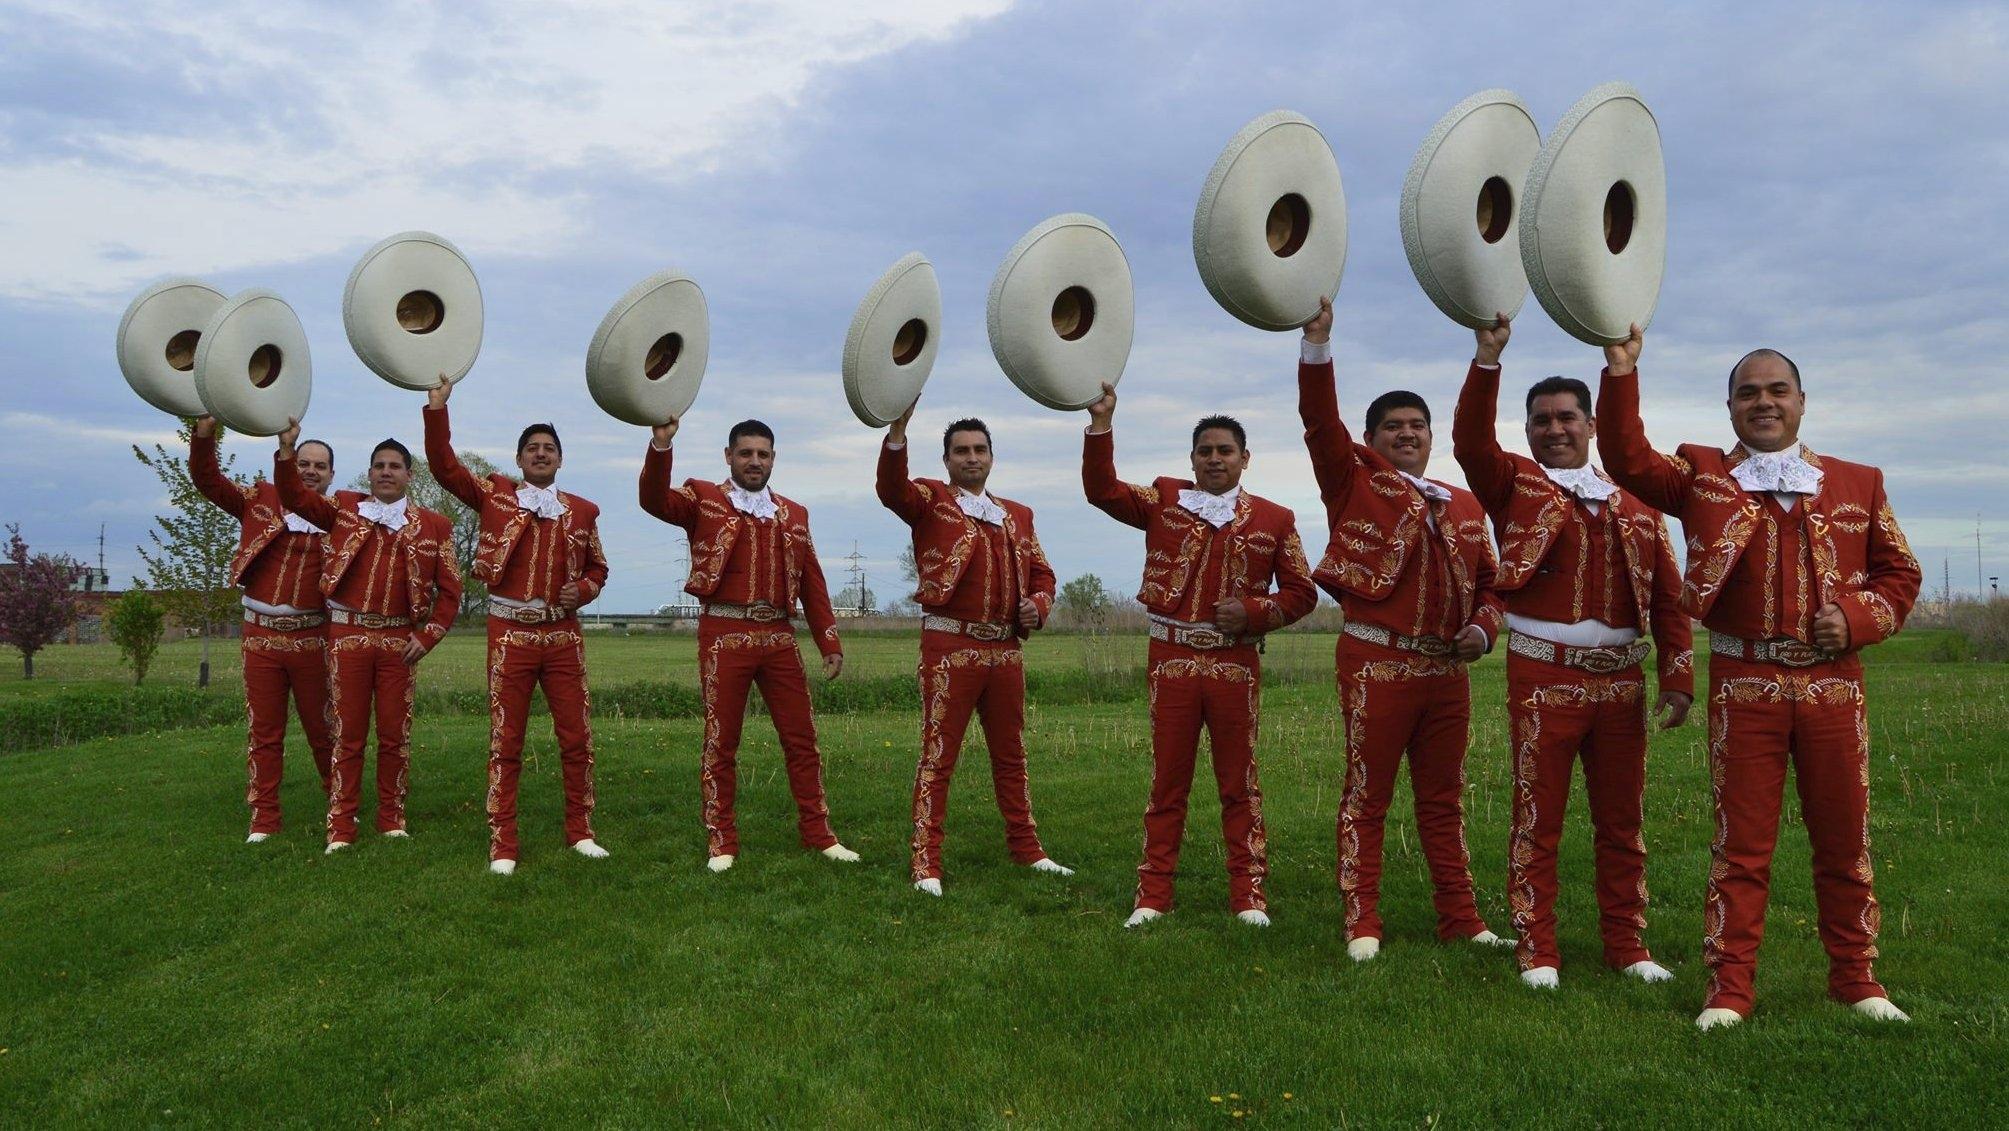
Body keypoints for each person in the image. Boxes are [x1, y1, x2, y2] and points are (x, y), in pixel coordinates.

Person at [1596, 325, 1920, 1029]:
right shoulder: (1702, 472)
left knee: (1843, 838)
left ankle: (1856, 978)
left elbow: (1901, 573)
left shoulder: (1858, 481)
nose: (1763, 402)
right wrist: (1620, 370)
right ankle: (1729, 988)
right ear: (1729, 407)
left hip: (1835, 687)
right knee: (1740, 845)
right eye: (1748, 393)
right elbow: (1624, 458)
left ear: (1801, 401)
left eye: (1777, 390)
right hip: (1745, 685)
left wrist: (1858, 617)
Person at [1450, 314, 1694, 990]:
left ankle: (1626, 942)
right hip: (1542, 676)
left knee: (1621, 819)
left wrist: (1676, 676)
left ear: (1590, 425)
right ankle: (1537, 945)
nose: (1553, 428)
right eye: (1540, 420)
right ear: (1526, 431)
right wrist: (1487, 358)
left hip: (1622, 682)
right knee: (1539, 813)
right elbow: (1469, 440)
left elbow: (1669, 600)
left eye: (1565, 417)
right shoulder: (1513, 487)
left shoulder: (1637, 505)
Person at [1297, 296, 1512, 961]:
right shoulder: (1352, 482)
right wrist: (1317, 344)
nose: (1407, 434)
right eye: (1392, 426)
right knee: (1367, 794)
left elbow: (1493, 588)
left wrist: (1482, 629)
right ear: (1371, 438)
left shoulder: (1467, 503)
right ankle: (1362, 919)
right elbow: (1317, 422)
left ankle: (1460, 917)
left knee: (1443, 800)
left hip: (1445, 672)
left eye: (1417, 424)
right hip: (1375, 662)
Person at [1083, 381, 1316, 928]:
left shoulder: (1274, 519)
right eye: (1205, 451)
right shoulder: (1165, 500)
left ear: (1245, 459)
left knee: (1240, 782)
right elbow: (1101, 490)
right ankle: (1153, 894)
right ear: (1192, 459)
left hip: (1236, 663)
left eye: (1225, 451)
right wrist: (1100, 426)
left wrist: (1257, 613)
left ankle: (1249, 894)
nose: (1215, 459)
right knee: (1168, 781)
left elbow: (1303, 592)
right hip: (1172, 657)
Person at [638, 414, 859, 872]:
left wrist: (828, 641)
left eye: (762, 454)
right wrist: (661, 446)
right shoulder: (703, 498)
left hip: (779, 635)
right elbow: (653, 500)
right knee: (722, 741)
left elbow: (812, 582)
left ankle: (819, 834)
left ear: (774, 459)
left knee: (802, 739)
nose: (754, 461)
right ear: (728, 457)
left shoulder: (794, 514)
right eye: (745, 453)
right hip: (723, 632)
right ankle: (722, 839)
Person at [878, 400, 1073, 896]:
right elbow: (890, 490)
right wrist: (897, 434)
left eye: (979, 450)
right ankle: (926, 861)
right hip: (949, 645)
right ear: (946, 460)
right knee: (939, 755)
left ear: (992, 457)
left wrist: (1039, 604)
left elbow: (1044, 572)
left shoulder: (1018, 515)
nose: (971, 458)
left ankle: (1027, 849)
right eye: (961, 451)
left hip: (1006, 651)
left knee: (1011, 754)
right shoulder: (930, 501)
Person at [425, 378, 610, 875]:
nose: (541, 454)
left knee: (576, 736)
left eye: (549, 448)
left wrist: (585, 592)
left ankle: (581, 831)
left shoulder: (584, 511)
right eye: (533, 448)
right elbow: (444, 468)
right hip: (509, 632)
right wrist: (437, 410)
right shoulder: (493, 496)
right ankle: (503, 843)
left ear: (560, 459)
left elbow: (598, 569)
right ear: (520, 458)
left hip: (563, 635)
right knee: (506, 739)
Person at [277, 420, 462, 853]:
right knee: (347, 733)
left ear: (409, 475)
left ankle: (392, 817)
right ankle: (341, 825)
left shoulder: (436, 525)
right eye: (378, 465)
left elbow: (451, 591)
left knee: (395, 734)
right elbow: (294, 497)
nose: (385, 472)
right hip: (348, 637)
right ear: (369, 472)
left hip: (400, 642)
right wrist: (286, 452)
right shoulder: (343, 508)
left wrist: (430, 635)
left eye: (394, 466)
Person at [189, 416, 334, 842]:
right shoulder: (260, 498)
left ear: (331, 475)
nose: (309, 470)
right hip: (261, 637)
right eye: (303, 462)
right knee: (264, 733)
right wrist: (204, 434)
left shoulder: (340, 515)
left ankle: (339, 807)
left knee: (323, 729)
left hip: (312, 638)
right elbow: (208, 480)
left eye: (319, 466)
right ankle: (264, 819)